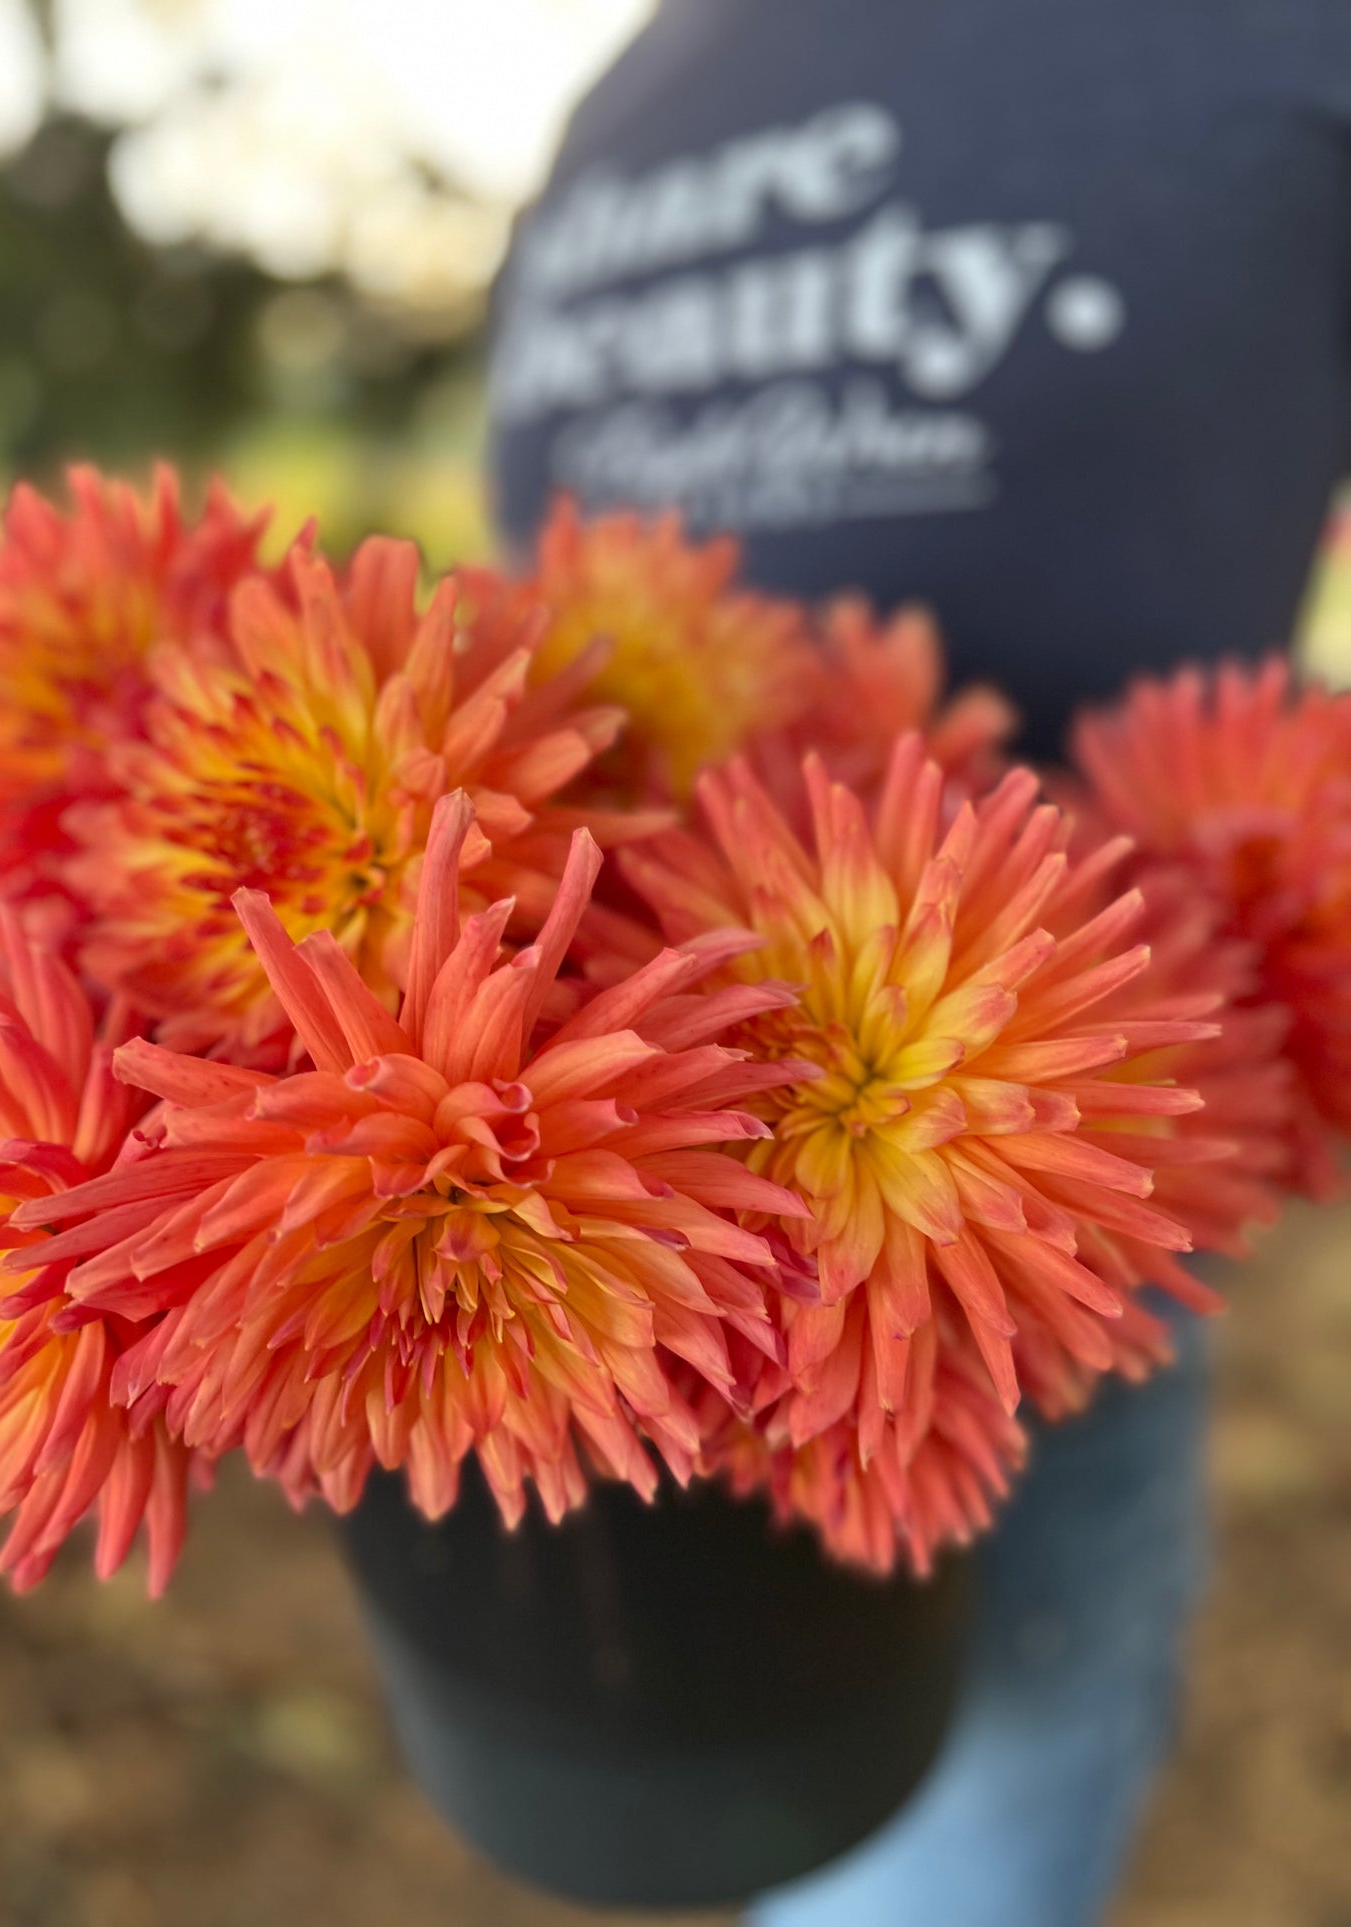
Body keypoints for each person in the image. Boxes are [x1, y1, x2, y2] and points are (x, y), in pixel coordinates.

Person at [485, 4, 1351, 1922]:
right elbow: (517, 573)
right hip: (613, 1171)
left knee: (967, 1810)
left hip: (1069, 1148)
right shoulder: (644, 80)